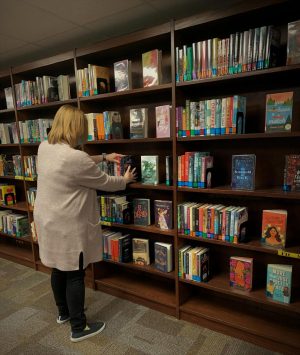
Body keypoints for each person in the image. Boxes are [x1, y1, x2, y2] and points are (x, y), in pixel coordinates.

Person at [33, 105, 136, 343]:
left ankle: (63, 314)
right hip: (67, 223)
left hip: (48, 220)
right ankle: (79, 327)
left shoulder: (44, 147)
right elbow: (105, 181)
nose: (84, 133)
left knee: (58, 267)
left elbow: (75, 161)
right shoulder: (75, 157)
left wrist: (103, 157)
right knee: (75, 273)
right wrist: (125, 180)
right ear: (75, 128)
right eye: (82, 128)